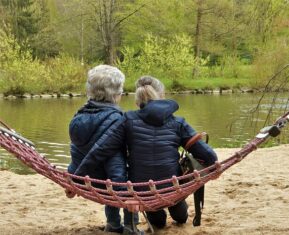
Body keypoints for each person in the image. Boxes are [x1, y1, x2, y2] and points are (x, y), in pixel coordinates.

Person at [75, 76, 217, 231]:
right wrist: (213, 168)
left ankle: (159, 214)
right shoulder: (178, 122)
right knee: (181, 216)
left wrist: (77, 178)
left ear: (137, 100)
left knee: (158, 222)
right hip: (173, 188)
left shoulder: (126, 120)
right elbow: (209, 156)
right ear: (162, 96)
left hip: (143, 193)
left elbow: (100, 150)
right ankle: (176, 209)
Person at [67, 64, 137, 234]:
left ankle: (112, 223)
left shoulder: (77, 117)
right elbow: (115, 164)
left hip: (86, 179)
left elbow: (77, 152)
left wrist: (73, 178)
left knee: (109, 179)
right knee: (130, 178)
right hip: (109, 181)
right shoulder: (118, 120)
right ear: (117, 94)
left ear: (89, 90)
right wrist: (124, 195)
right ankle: (131, 226)